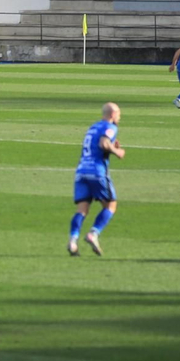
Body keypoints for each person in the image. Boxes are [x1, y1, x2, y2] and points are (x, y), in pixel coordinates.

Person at [68, 102, 125, 257]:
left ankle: (73, 241)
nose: (120, 116)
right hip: (97, 172)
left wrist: (112, 145)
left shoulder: (93, 127)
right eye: (119, 113)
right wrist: (117, 151)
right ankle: (93, 233)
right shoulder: (110, 127)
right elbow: (104, 143)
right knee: (110, 206)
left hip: (81, 171)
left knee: (82, 210)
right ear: (112, 114)